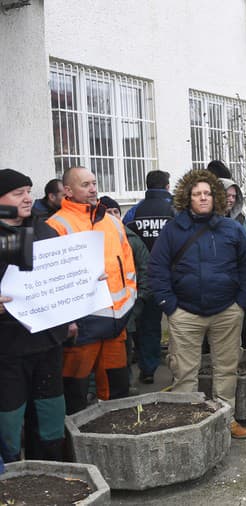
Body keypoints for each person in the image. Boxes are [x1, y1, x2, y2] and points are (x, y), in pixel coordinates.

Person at [147, 169, 246, 440]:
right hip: (185, 313)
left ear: (216, 197)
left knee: (226, 369)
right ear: (188, 197)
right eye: (197, 194)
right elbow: (157, 269)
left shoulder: (231, 228)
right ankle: (188, 426)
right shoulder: (173, 230)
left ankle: (226, 419)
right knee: (184, 373)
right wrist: (170, 306)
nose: (203, 198)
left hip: (227, 312)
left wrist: (241, 303)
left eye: (207, 193)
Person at [45, 167, 137, 414]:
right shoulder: (56, 226)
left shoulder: (112, 221)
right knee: (75, 396)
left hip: (116, 323)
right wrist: (68, 320)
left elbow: (128, 264)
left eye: (94, 183)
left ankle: (117, 442)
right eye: (85, 184)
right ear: (68, 190)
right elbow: (52, 281)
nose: (93, 189)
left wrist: (129, 299)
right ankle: (76, 449)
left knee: (118, 393)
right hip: (82, 327)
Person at [0, 169, 69, 463]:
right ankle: (12, 477)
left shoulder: (44, 230)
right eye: (19, 193)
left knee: (50, 415)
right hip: (7, 350)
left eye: (28, 191)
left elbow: (61, 275)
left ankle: (51, 471)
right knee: (9, 420)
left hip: (47, 343)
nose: (28, 198)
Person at [122, 170, 175, 384]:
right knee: (181, 326)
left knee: (148, 326)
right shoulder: (176, 210)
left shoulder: (135, 211)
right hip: (172, 278)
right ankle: (181, 372)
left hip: (145, 277)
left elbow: (125, 240)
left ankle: (148, 369)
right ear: (167, 186)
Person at [100, 196, 150, 392]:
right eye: (107, 213)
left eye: (115, 212)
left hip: (129, 310)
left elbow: (145, 272)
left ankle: (125, 387)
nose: (112, 217)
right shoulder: (95, 239)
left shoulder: (131, 240)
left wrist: (139, 303)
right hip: (103, 314)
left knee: (125, 353)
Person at [221, 178, 246, 349]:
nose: (230, 199)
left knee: (245, 330)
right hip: (216, 290)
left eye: (234, 196)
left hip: (239, 288)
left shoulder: (240, 220)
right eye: (226, 195)